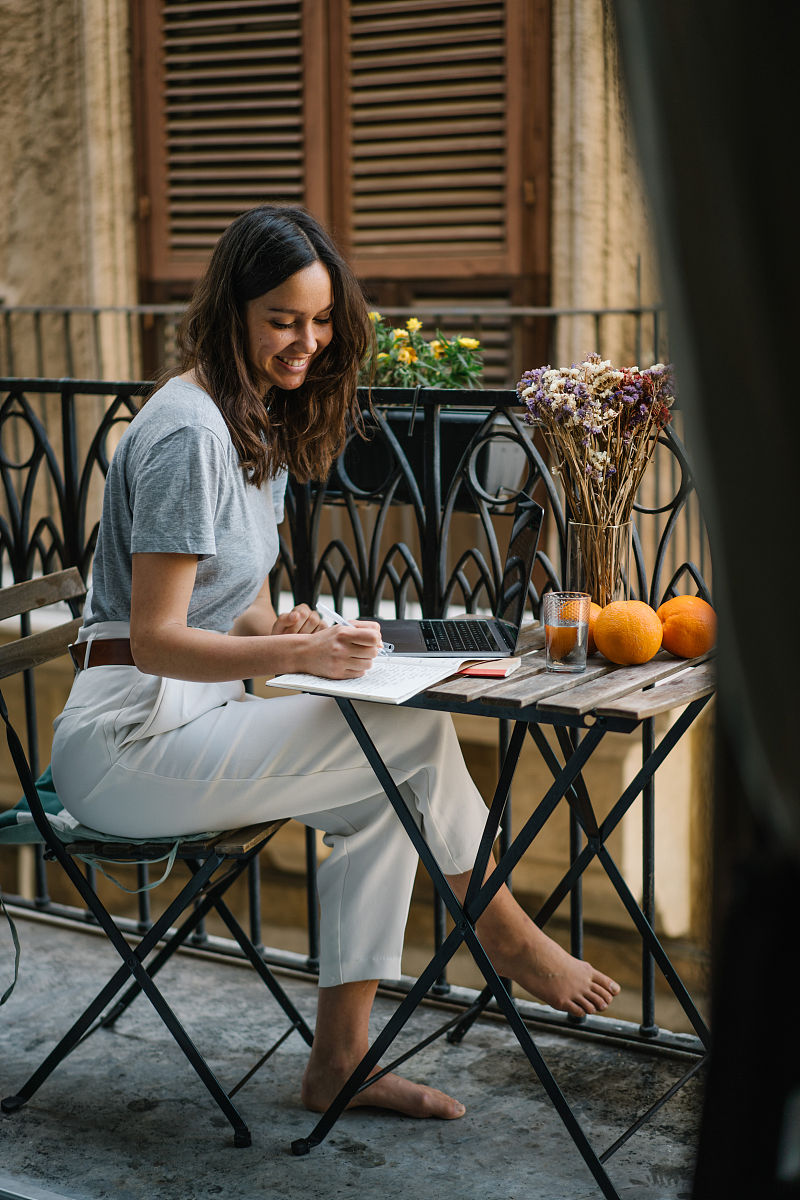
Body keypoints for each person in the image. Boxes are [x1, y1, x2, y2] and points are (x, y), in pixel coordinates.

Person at [50, 204, 619, 1121]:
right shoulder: (191, 433)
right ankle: (507, 937)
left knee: (385, 793)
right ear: (231, 309)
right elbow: (154, 636)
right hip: (124, 742)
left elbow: (232, 609)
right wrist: (296, 650)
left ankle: (339, 1064)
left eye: (318, 322)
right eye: (282, 319)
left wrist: (289, 624)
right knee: (410, 742)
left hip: (195, 720)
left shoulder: (251, 429)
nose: (304, 342)